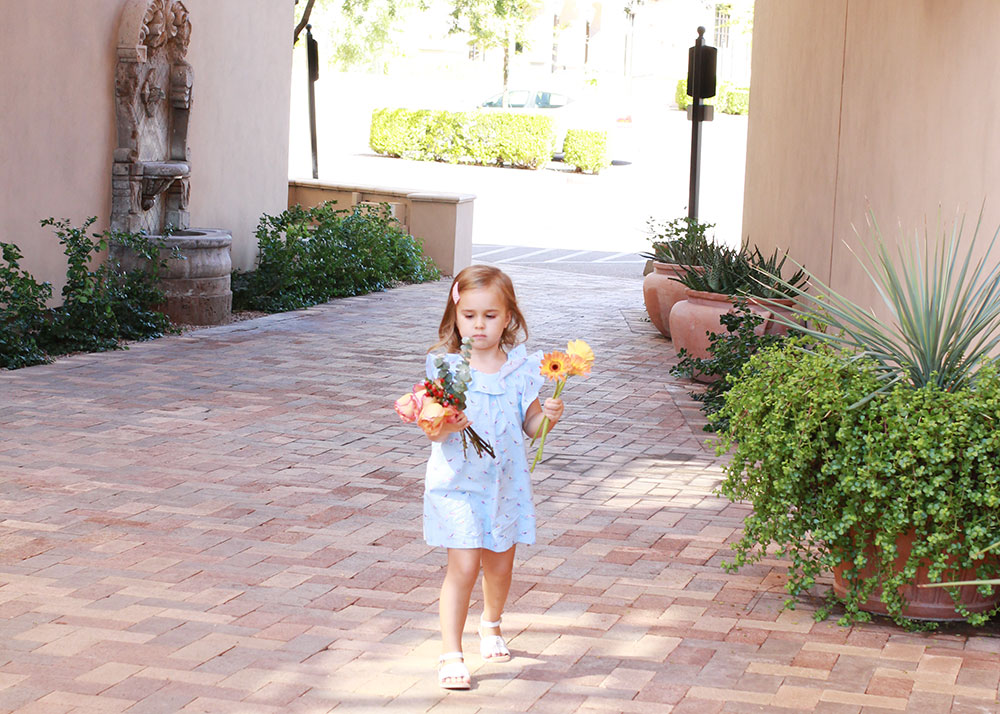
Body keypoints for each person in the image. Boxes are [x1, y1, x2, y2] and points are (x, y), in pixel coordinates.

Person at [423, 265, 565, 690]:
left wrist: (549, 417)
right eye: (470, 315)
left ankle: (492, 623)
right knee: (463, 565)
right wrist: (448, 422)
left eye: (489, 315)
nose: (479, 325)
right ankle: (451, 652)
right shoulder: (445, 368)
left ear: (508, 318)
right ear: (456, 313)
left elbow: (531, 427)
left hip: (506, 486)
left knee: (499, 567)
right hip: (457, 484)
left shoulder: (521, 369)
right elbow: (431, 427)